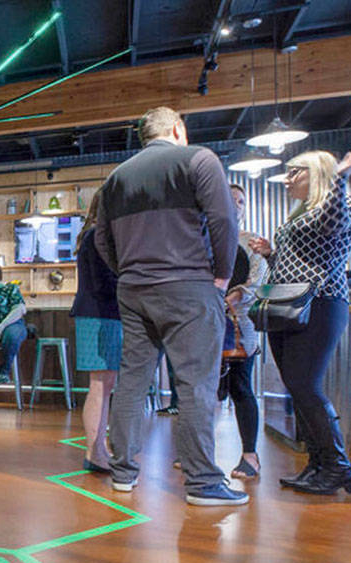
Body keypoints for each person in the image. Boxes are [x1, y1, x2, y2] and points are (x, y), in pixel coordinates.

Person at [94, 106, 245, 506]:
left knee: (131, 380)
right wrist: (222, 275)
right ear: (179, 129)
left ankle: (122, 473)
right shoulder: (199, 159)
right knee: (195, 382)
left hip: (134, 289)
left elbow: (100, 239)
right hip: (189, 286)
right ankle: (202, 483)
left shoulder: (115, 178)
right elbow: (224, 221)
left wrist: (127, 271)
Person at [248, 142, 351, 496]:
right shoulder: (301, 214)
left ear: (318, 174)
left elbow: (332, 221)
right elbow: (294, 268)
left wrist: (340, 176)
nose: (286, 179)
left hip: (319, 305)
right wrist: (272, 255)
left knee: (305, 386)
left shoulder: (343, 203)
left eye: (294, 172)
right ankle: (318, 464)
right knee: (297, 388)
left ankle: (337, 466)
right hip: (290, 307)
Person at [70, 188, 120, 474]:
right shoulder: (98, 236)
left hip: (99, 314)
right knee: (100, 385)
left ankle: (98, 448)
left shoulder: (93, 234)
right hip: (99, 315)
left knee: (104, 384)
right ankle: (95, 451)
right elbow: (105, 282)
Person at [219, 183, 267, 480]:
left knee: (240, 387)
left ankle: (250, 455)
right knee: (200, 390)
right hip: (205, 324)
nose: (236, 205)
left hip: (240, 324)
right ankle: (195, 452)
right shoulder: (203, 238)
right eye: (230, 199)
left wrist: (231, 298)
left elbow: (257, 281)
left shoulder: (252, 243)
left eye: (241, 201)